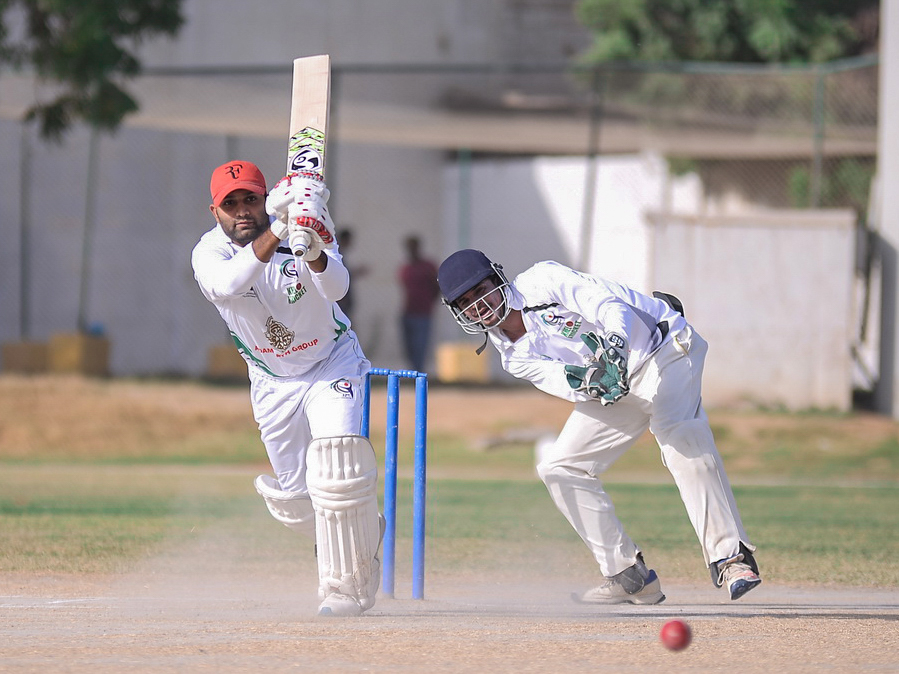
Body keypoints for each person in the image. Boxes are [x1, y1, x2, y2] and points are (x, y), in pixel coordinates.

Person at [436, 249, 761, 605]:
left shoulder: (541, 280)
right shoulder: (513, 357)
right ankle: (629, 576)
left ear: (498, 280)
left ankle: (732, 559)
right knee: (560, 467)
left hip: (663, 351)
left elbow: (608, 306)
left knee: (679, 436)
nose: (478, 305)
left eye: (481, 291)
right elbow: (568, 382)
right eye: (465, 303)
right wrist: (593, 381)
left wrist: (614, 348)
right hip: (617, 386)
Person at [191, 161, 382, 617]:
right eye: (230, 203)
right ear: (215, 211)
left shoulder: (307, 218)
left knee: (336, 461)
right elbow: (227, 284)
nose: (242, 210)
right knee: (298, 503)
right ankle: (360, 529)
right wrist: (278, 225)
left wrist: (314, 248)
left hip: (330, 361)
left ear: (264, 198)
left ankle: (343, 590)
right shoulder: (209, 252)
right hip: (271, 380)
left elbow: (337, 288)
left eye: (250, 199)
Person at [397, 236, 440, 372]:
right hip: (408, 311)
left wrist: (429, 302)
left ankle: (417, 372)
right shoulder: (406, 268)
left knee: (420, 345)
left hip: (423, 312)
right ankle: (412, 370)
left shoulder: (428, 266)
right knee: (409, 346)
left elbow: (437, 286)